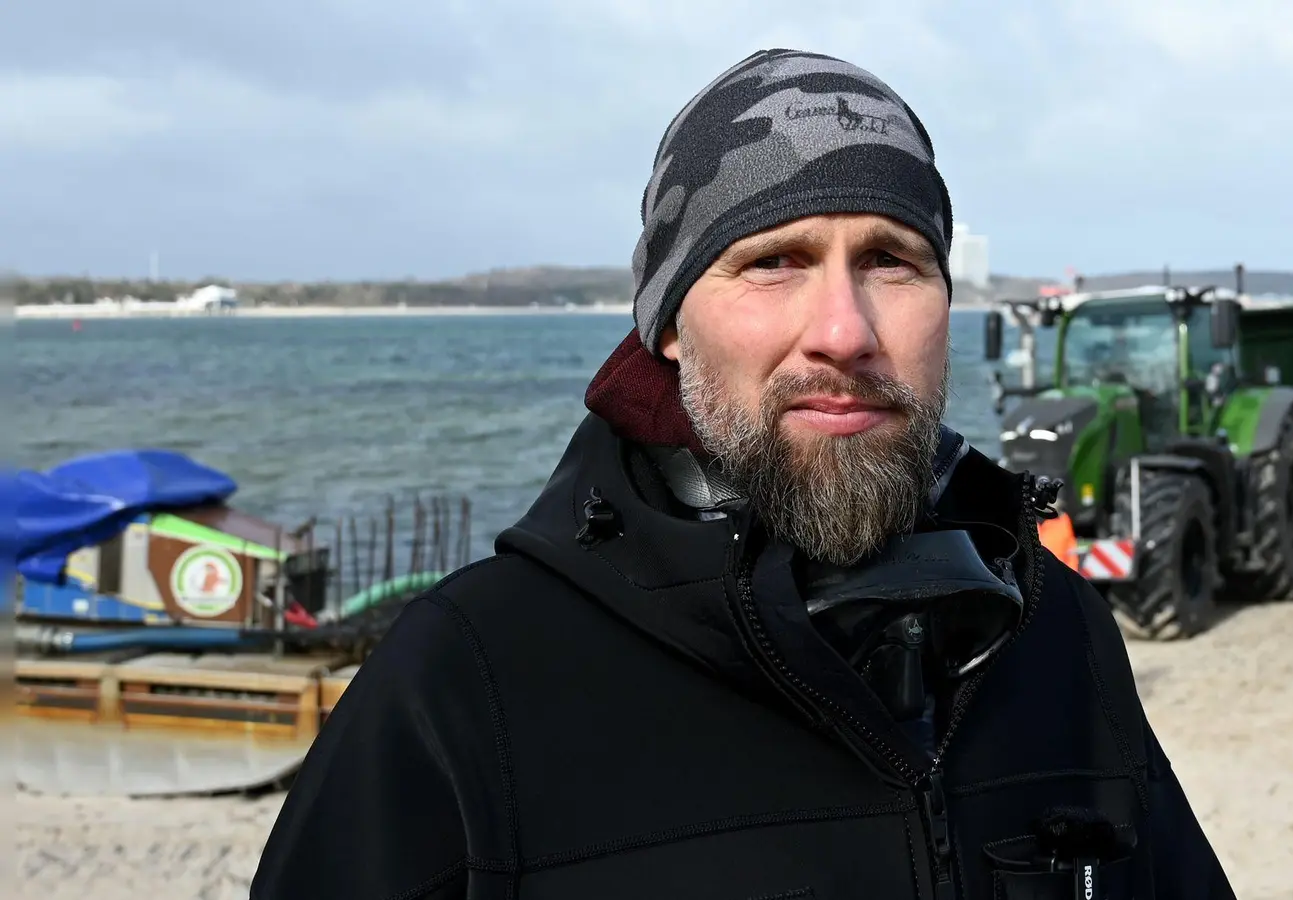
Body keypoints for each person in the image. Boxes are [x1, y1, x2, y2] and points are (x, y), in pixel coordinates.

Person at [251, 48, 1235, 899]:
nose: (843, 332)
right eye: (773, 261)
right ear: (669, 326)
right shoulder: (467, 683)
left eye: (892, 260)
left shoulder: (1049, 632)